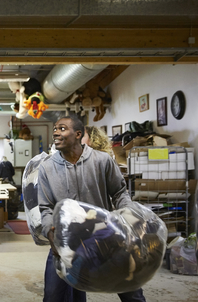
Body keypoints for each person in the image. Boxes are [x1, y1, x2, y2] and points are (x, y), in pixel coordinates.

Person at [38, 114, 146, 302]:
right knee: (52, 296)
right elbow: (45, 206)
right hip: (66, 241)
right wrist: (49, 231)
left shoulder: (101, 160)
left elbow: (119, 192)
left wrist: (128, 217)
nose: (55, 132)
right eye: (55, 128)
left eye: (62, 128)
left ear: (78, 134)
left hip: (104, 236)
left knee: (131, 292)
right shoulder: (47, 167)